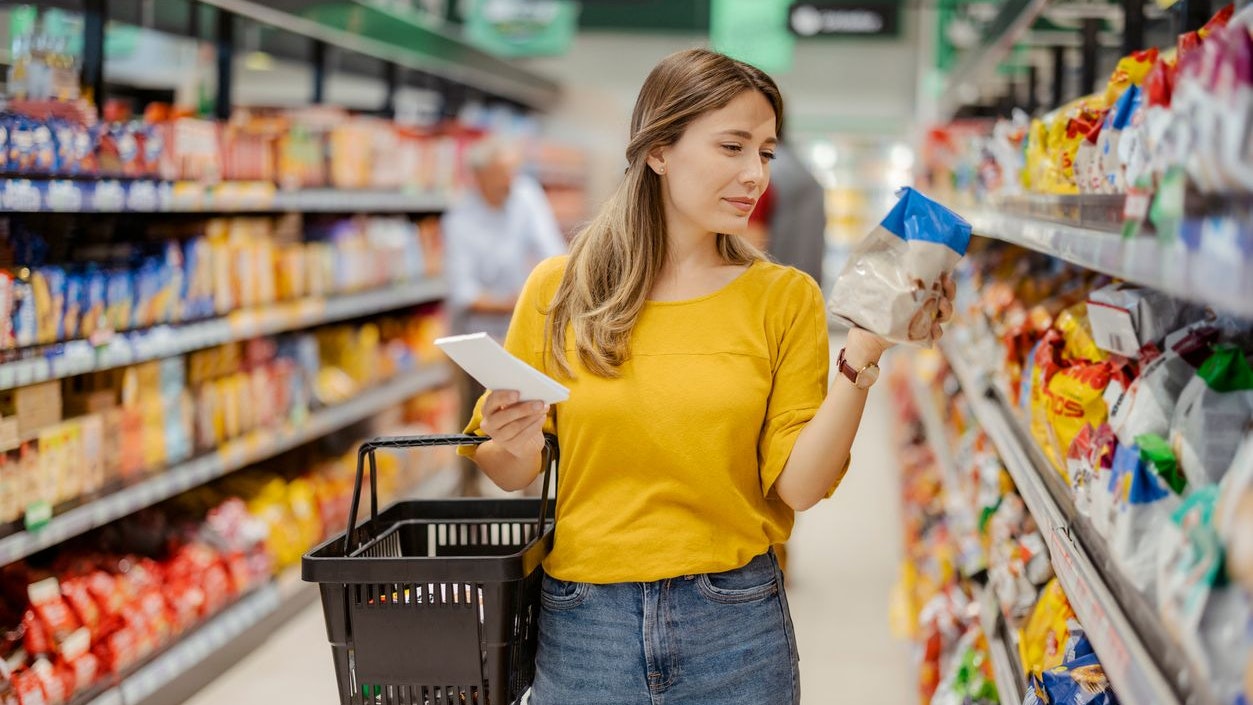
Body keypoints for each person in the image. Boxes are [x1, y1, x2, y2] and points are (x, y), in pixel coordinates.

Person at [460, 49, 953, 704]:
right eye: (732, 147)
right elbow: (507, 468)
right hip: (585, 623)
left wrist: (865, 350)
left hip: (735, 617)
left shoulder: (784, 297)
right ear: (659, 149)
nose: (755, 175)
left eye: (766, 153)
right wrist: (513, 442)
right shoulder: (562, 288)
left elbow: (800, 486)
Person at [441, 138, 566, 492]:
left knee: (529, 416)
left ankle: (530, 493)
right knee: (476, 419)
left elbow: (553, 255)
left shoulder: (525, 195)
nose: (510, 181)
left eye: (513, 172)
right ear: (478, 177)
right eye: (501, 175)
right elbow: (465, 294)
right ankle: (468, 492)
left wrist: (540, 295)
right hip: (476, 337)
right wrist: (523, 300)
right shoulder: (461, 218)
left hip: (520, 327)